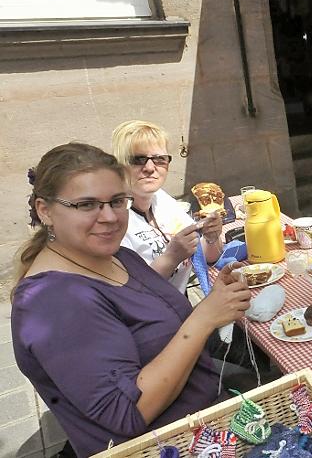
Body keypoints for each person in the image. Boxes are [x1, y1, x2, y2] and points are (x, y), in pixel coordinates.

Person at [11, 143, 250, 456]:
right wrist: (204, 318)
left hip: (207, 417)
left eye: (117, 201)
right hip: (173, 446)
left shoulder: (119, 256)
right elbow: (128, 413)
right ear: (45, 210)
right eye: (86, 205)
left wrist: (217, 298)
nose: (109, 217)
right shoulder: (52, 303)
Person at [112, 120, 225, 297]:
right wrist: (171, 258)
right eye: (138, 159)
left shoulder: (161, 199)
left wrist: (212, 237)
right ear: (120, 165)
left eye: (159, 159)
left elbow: (206, 256)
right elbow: (131, 293)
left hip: (179, 307)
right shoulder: (113, 219)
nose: (150, 168)